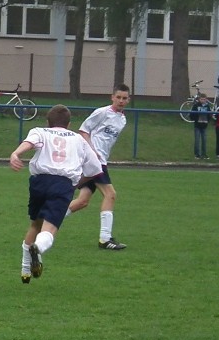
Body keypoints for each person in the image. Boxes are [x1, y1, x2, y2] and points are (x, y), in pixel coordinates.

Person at [9, 104, 103, 283]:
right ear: (68, 124)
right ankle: (37, 247)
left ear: (48, 122)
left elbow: (30, 143)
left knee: (35, 224)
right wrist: (75, 184)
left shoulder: (40, 131)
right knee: (49, 229)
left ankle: (25, 270)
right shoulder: (78, 139)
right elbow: (94, 170)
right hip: (62, 183)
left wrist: (15, 154)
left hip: (38, 182)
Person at [67, 83, 130, 250]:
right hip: (94, 161)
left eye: (124, 98)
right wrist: (92, 152)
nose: (121, 101)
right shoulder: (102, 112)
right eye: (118, 97)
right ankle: (105, 239)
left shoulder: (122, 119)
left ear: (128, 100)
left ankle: (47, 220)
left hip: (100, 160)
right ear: (112, 97)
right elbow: (83, 131)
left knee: (82, 201)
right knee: (110, 194)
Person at [189, 92, 211, 160]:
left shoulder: (207, 106)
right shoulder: (195, 106)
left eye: (204, 99)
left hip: (204, 125)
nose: (203, 100)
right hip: (197, 126)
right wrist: (196, 118)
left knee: (204, 140)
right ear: (199, 99)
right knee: (197, 141)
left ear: (206, 99)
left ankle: (204, 154)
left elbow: (209, 115)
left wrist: (208, 120)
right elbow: (191, 115)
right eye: (201, 99)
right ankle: (197, 154)